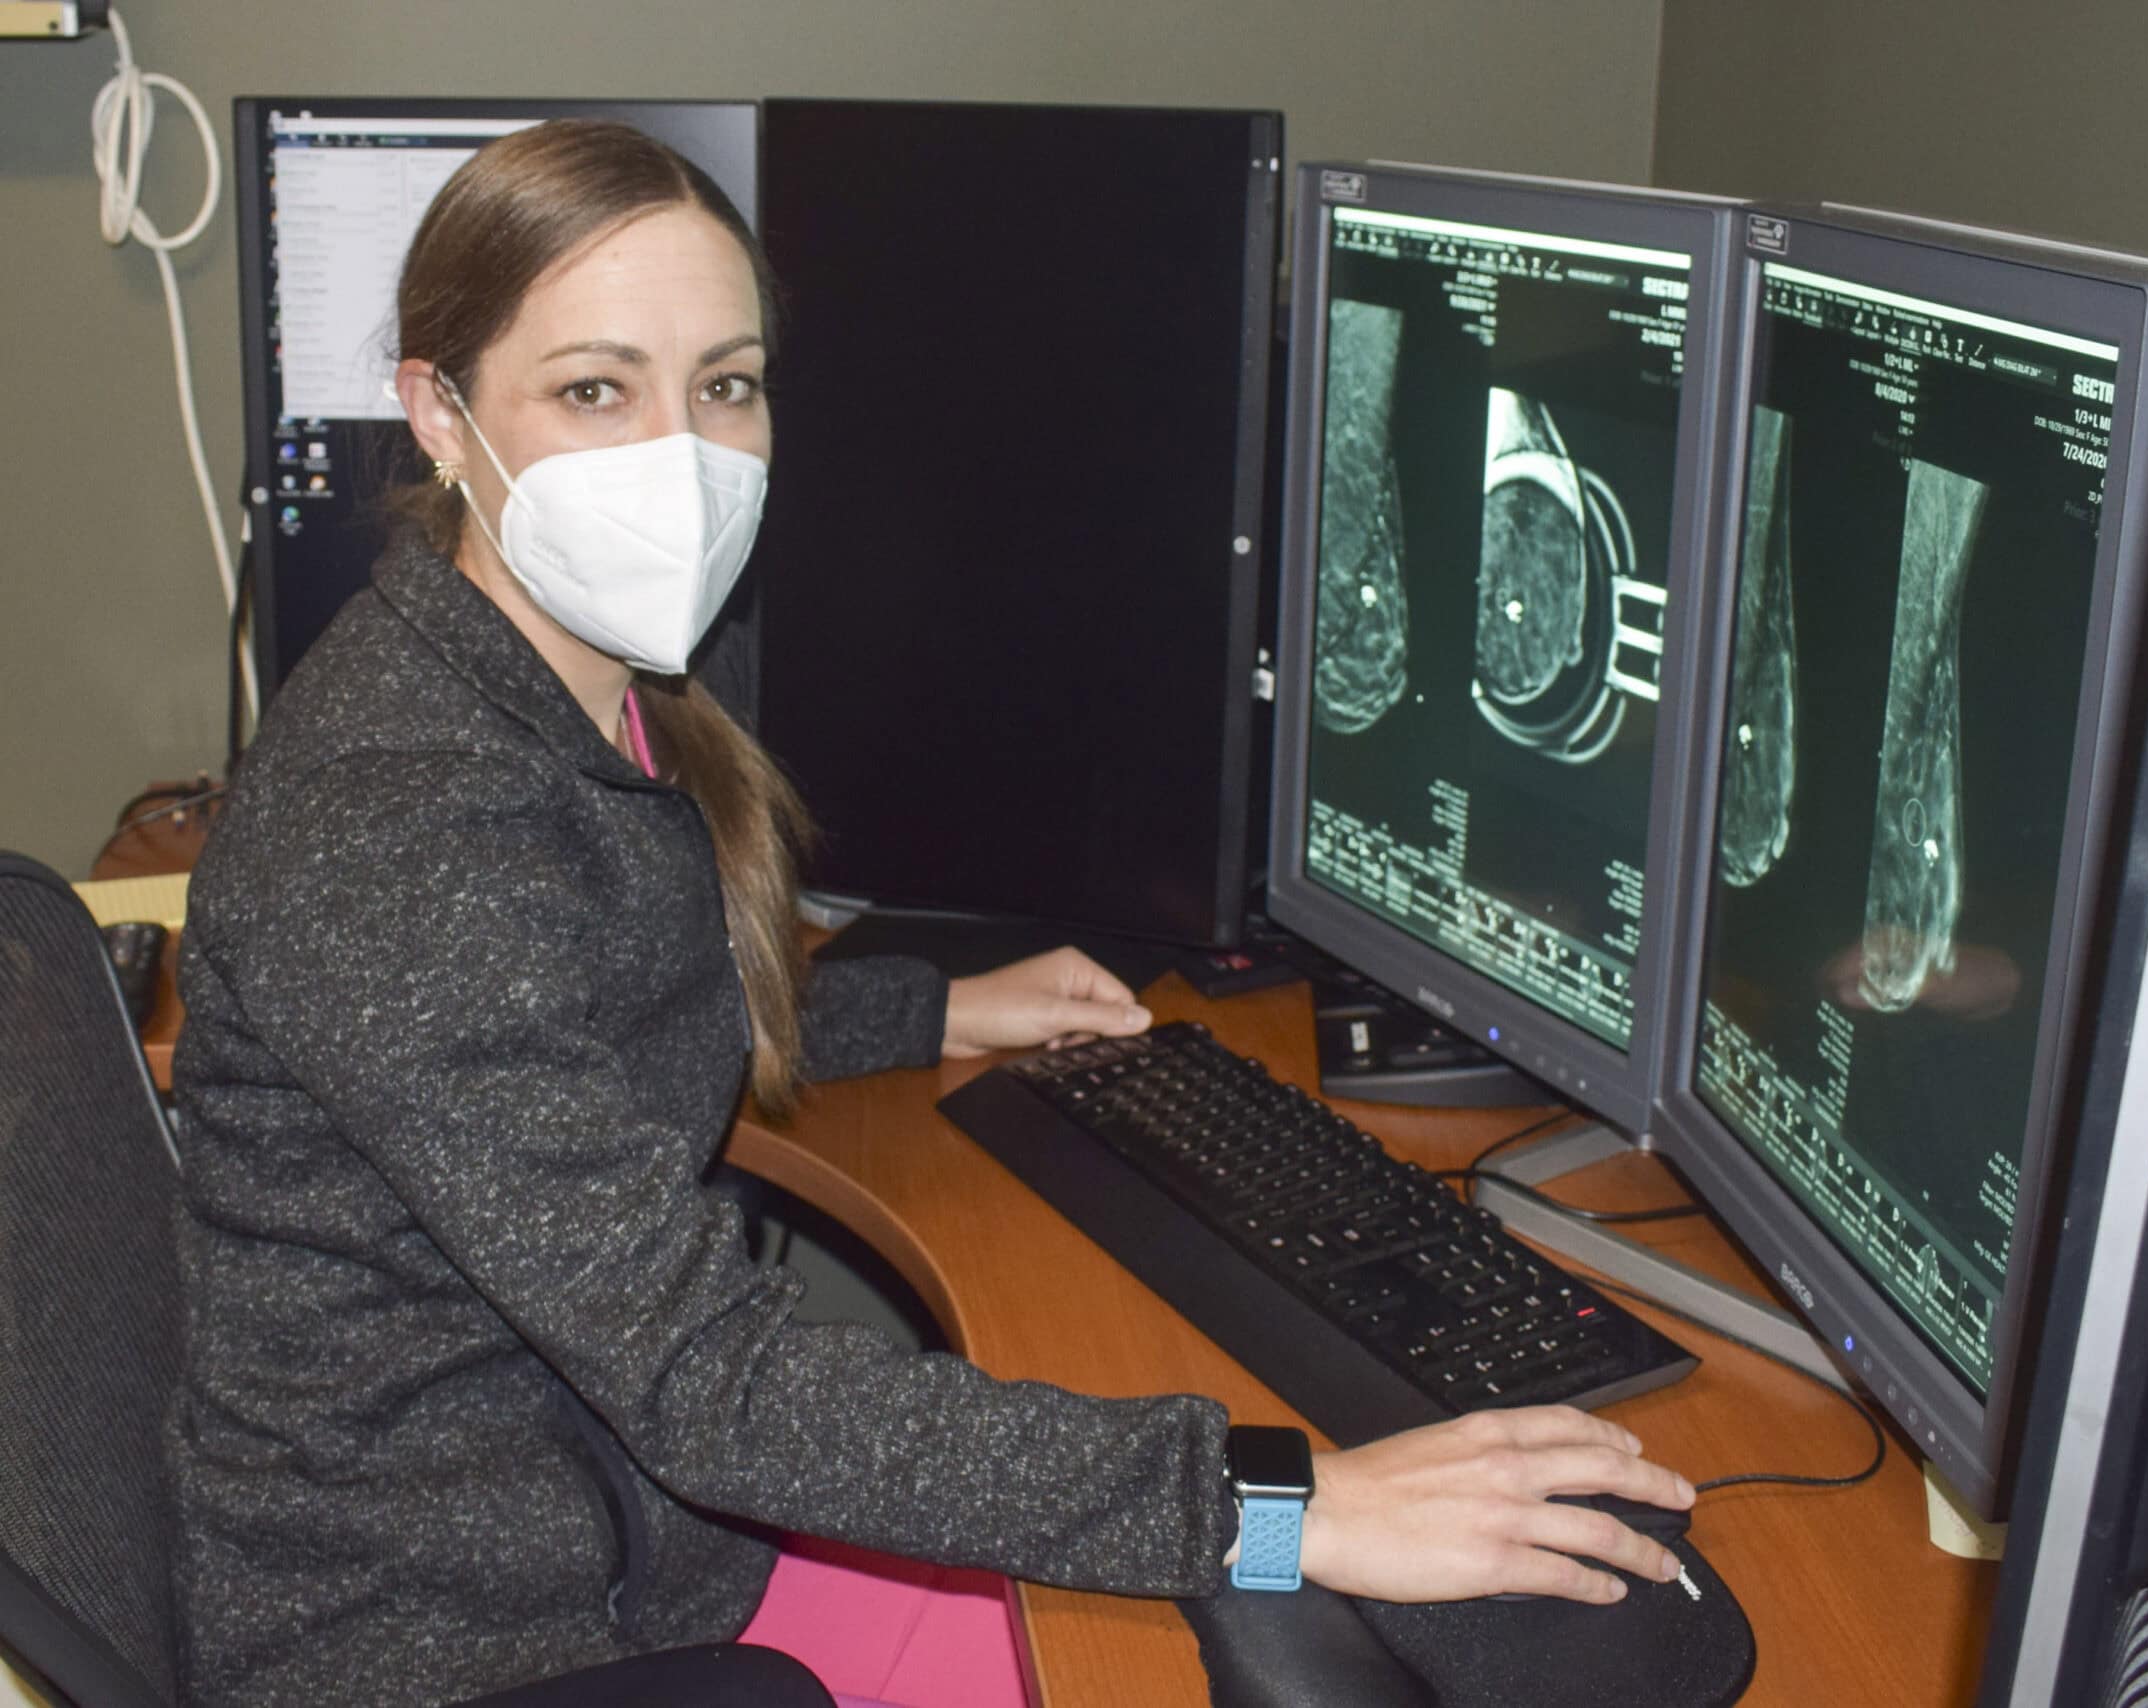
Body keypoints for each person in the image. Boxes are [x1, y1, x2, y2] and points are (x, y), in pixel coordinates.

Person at [168, 119, 1694, 1708]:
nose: (680, 456)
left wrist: (922, 1008)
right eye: (595, 391)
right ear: (440, 411)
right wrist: (1281, 1509)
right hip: (455, 1632)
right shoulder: (398, 827)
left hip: (634, 1536)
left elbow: (593, 1010)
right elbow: (710, 1388)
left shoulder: (591, 682)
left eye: (727, 385)